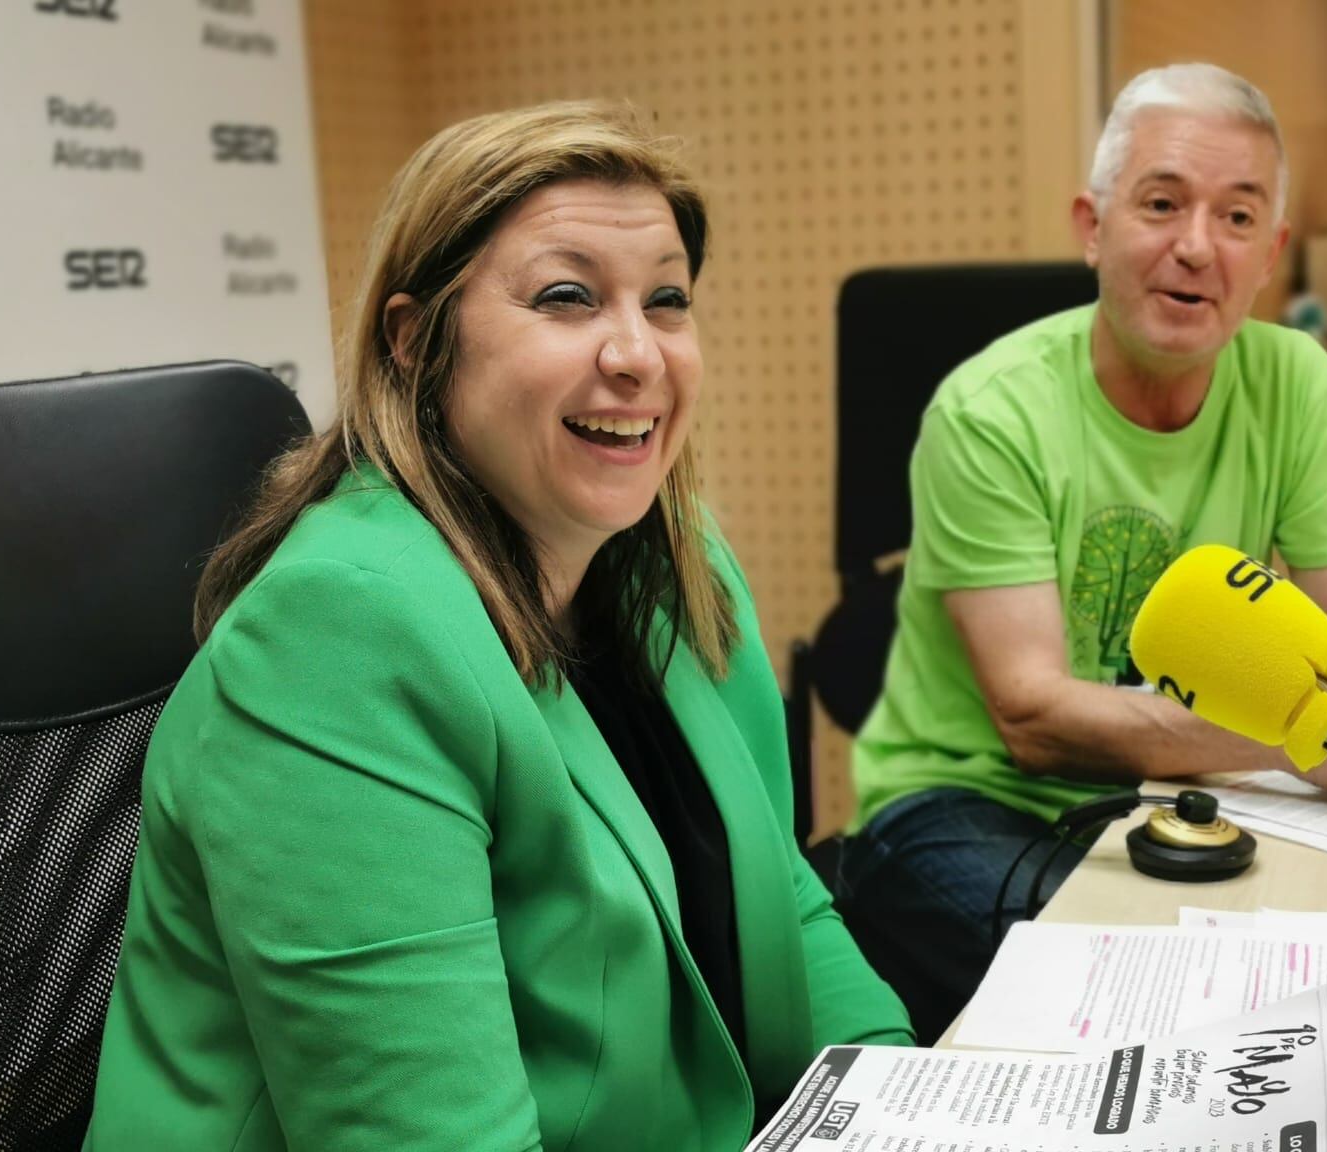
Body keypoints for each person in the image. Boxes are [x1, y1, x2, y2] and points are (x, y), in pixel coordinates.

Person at [85, 102, 911, 1151]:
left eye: (665, 299)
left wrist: (907, 1106)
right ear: (414, 341)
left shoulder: (675, 560)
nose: (636, 354)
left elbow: (776, 895)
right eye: (565, 297)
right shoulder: (335, 640)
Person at [833, 63, 1327, 1040]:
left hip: (1184, 788)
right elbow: (1031, 715)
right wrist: (1315, 737)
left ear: (1269, 254)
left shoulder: (1294, 381)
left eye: (1235, 219)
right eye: (1159, 204)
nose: (1196, 247)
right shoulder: (989, 411)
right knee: (1174, 1005)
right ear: (1091, 227)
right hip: (967, 803)